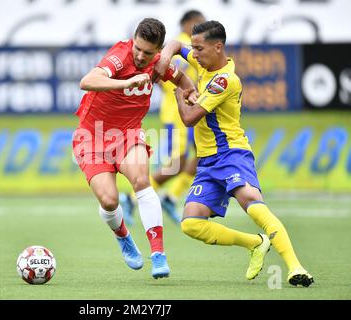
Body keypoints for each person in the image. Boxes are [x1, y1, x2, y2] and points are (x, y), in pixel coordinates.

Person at [155, 20, 314, 286]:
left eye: (199, 49)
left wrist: (181, 96)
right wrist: (163, 61)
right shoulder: (202, 61)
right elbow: (172, 44)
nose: (193, 54)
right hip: (207, 161)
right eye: (193, 48)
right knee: (191, 224)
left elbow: (190, 118)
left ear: (218, 48)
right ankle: (255, 243)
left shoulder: (225, 80)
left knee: (251, 202)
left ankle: (296, 268)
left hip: (231, 154)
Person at [73, 18, 197, 279]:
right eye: (138, 48)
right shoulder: (119, 56)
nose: (141, 56)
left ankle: (158, 255)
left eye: (148, 52)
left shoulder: (160, 64)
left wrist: (189, 95)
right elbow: (87, 81)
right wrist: (125, 83)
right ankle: (123, 237)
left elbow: (184, 82)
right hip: (92, 136)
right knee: (109, 200)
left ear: (159, 50)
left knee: (142, 180)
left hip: (128, 133)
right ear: (133, 40)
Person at [120, 10, 205, 225]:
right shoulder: (186, 43)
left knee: (202, 156)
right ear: (188, 23)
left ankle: (171, 196)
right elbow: (172, 77)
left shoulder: (189, 45)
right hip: (178, 110)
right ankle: (131, 199)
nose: (202, 27)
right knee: (179, 161)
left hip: (191, 107)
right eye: (198, 23)